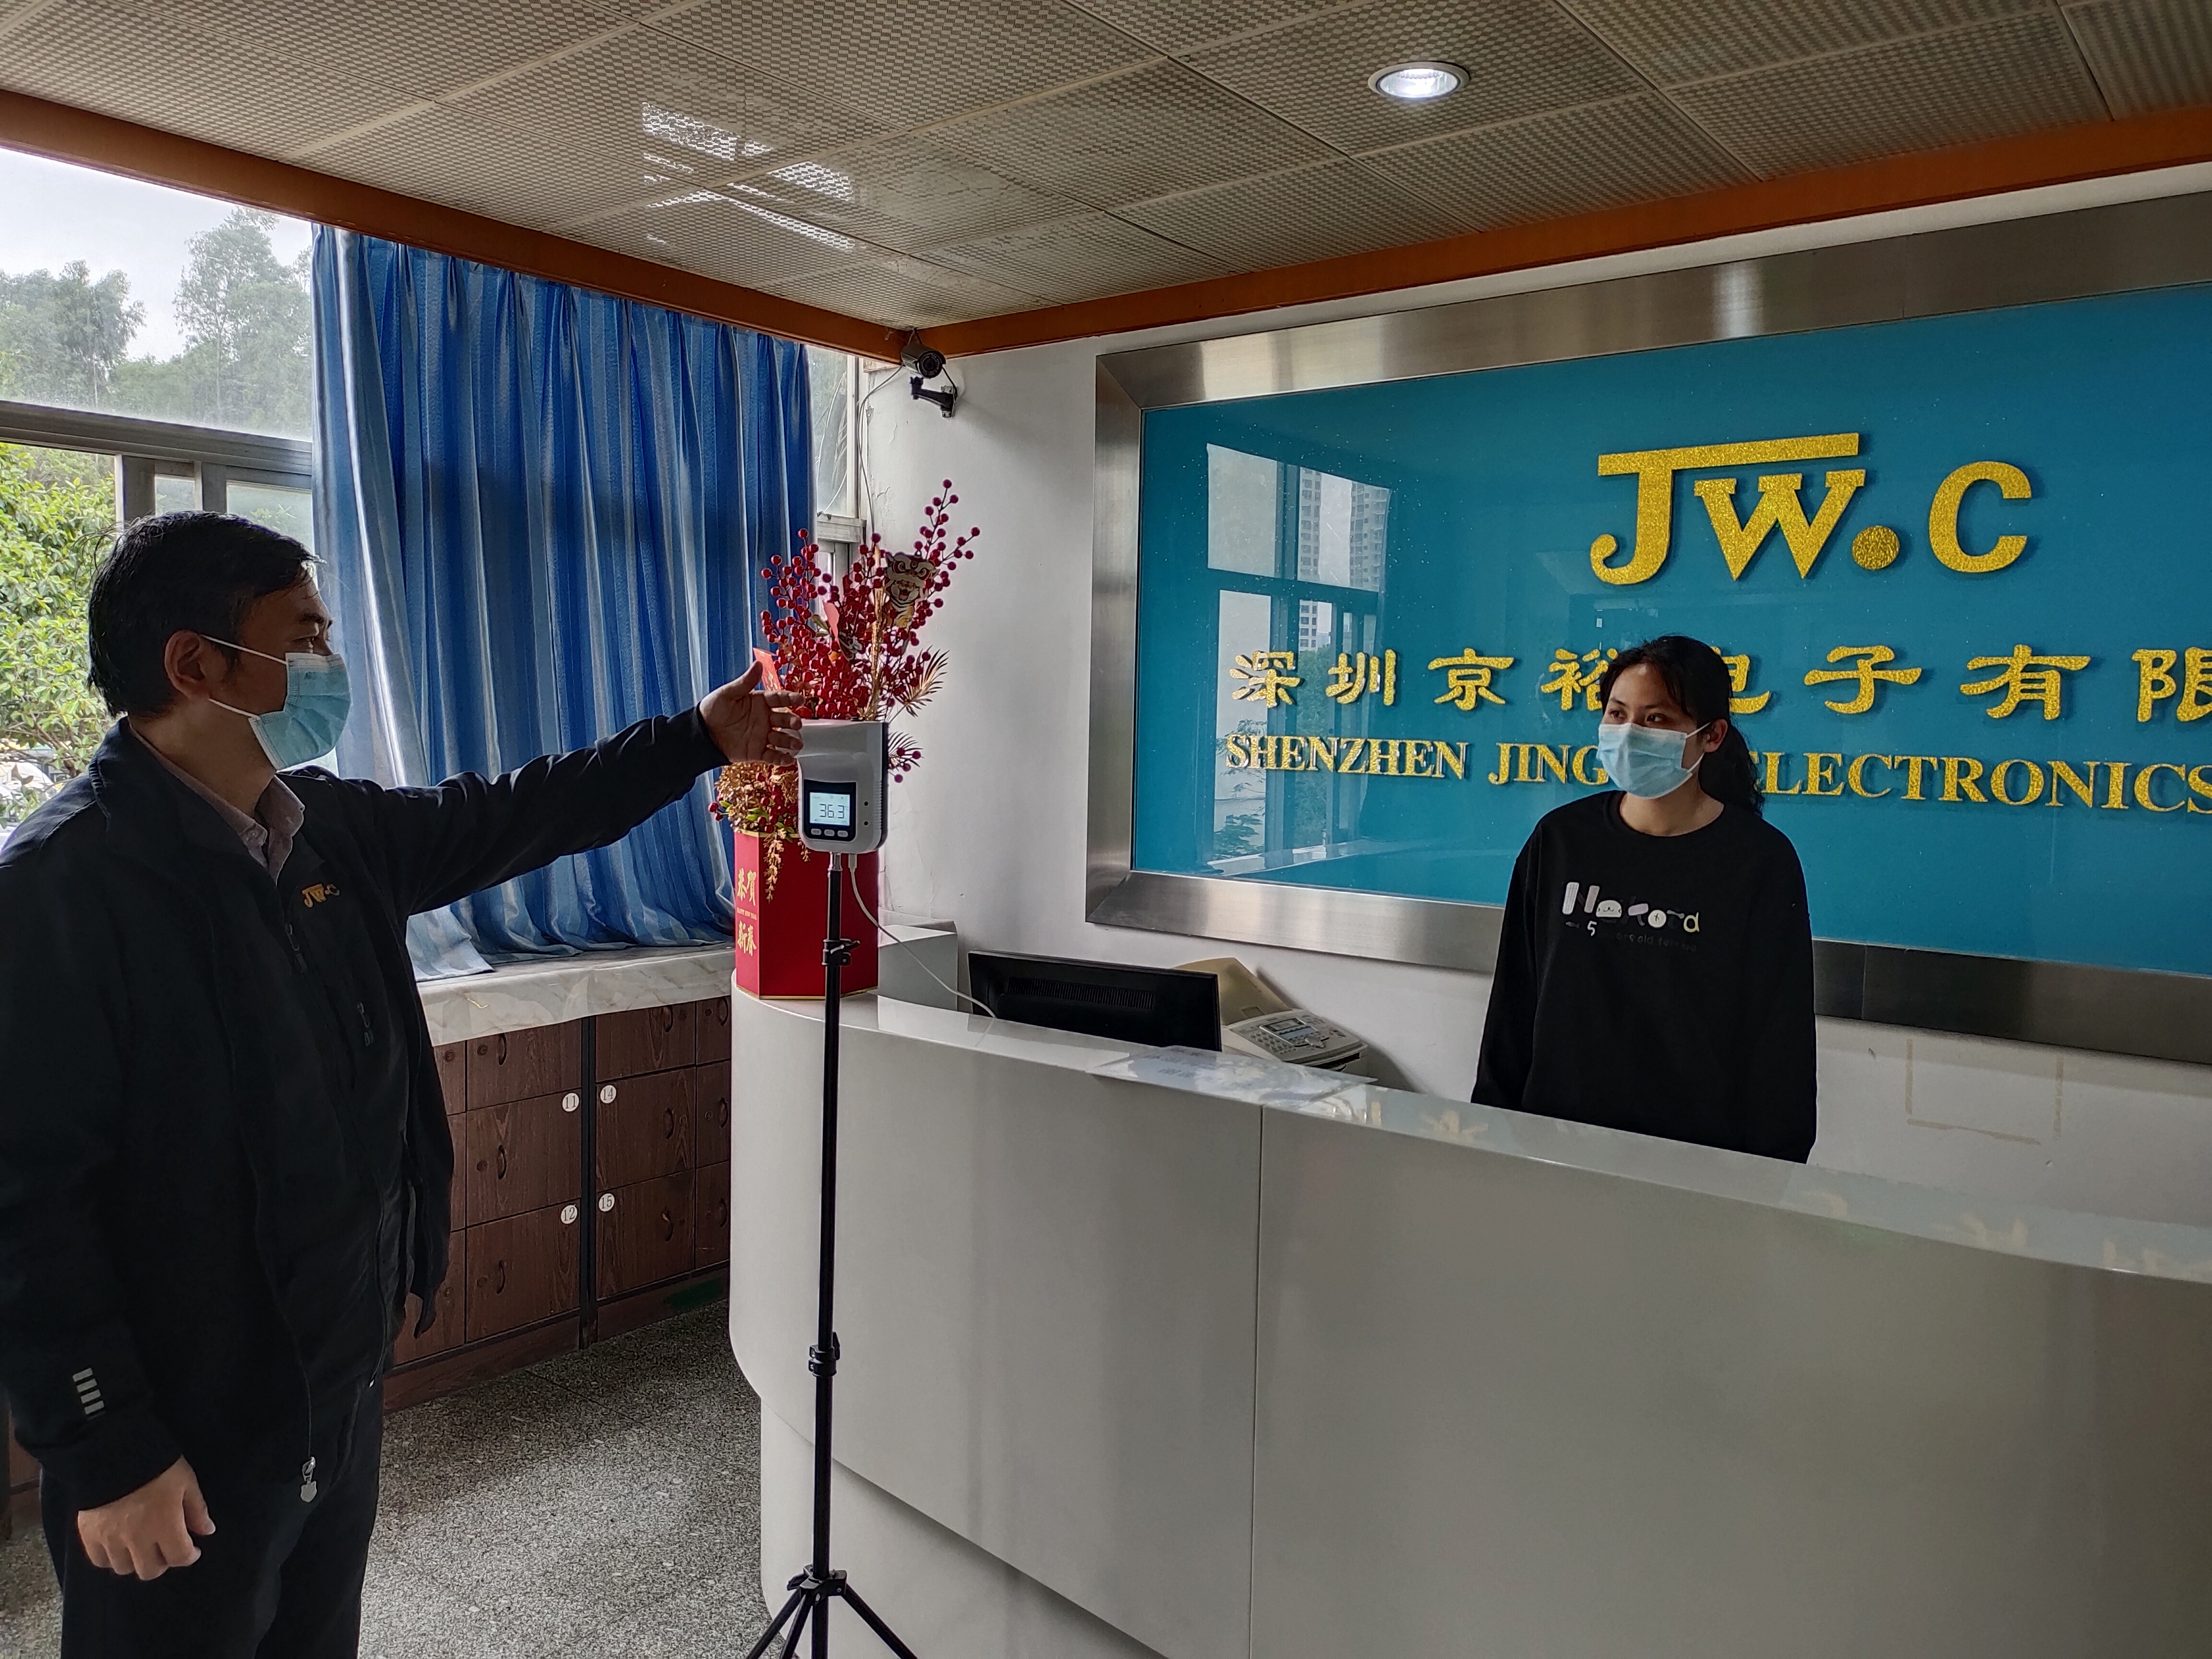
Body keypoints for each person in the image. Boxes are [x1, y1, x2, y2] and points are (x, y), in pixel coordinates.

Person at [0, 512, 803, 1657]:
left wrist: (696, 738)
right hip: (181, 1423)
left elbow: (516, 811)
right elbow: (27, 1209)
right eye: (304, 637)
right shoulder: (60, 889)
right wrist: (107, 1448)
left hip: (336, 1381)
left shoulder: (330, 831)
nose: (330, 662)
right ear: (195, 664)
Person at [1472, 634, 1816, 1161]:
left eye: (1656, 719)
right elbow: (1514, 1001)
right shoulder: (1561, 840)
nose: (1630, 734)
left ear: (1712, 735)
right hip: (1554, 1146)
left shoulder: (1759, 861)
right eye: (1617, 714)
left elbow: (1780, 1038)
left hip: (1697, 1161)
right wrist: (1492, 1131)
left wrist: (1772, 1175)